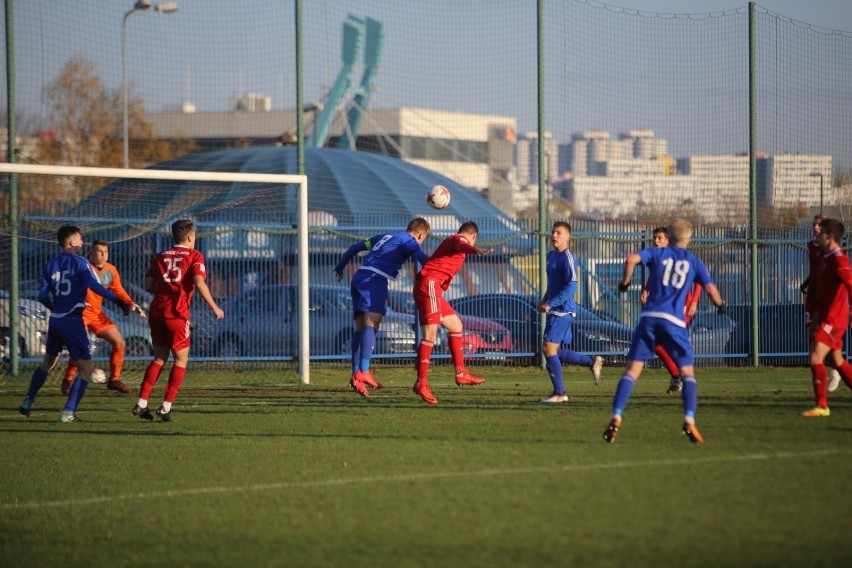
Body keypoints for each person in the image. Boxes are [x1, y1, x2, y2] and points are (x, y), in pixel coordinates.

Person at [604, 218, 725, 444]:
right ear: (689, 239)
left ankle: (616, 416)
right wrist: (720, 305)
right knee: (688, 373)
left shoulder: (657, 254)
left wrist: (625, 283)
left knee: (632, 372)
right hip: (673, 321)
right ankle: (689, 419)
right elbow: (710, 287)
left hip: (648, 319)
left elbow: (631, 259)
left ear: (669, 237)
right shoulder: (693, 261)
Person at [19, 226, 132, 423]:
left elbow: (43, 295)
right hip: (73, 319)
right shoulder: (80, 262)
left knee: (47, 362)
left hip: (55, 319)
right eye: (80, 239)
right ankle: (68, 413)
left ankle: (28, 400)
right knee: (85, 369)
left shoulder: (51, 264)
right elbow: (94, 285)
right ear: (71, 242)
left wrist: (55, 307)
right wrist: (117, 300)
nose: (82, 243)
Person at [132, 219, 224, 422]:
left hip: (156, 313)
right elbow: (200, 283)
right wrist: (215, 307)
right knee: (181, 360)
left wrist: (165, 288)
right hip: (177, 314)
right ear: (190, 237)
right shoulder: (194, 256)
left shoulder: (160, 256)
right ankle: (165, 407)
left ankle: (142, 403)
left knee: (158, 359)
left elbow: (148, 286)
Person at [334, 217, 431, 397]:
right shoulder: (410, 241)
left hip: (359, 277)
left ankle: (356, 375)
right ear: (420, 235)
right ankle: (363, 370)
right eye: (422, 239)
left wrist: (340, 267)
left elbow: (356, 247)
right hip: (374, 280)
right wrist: (434, 270)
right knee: (372, 323)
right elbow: (421, 258)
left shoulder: (386, 236)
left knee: (360, 327)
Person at [412, 221, 493, 404]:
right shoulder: (459, 239)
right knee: (430, 335)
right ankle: (421, 382)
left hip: (433, 288)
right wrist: (476, 250)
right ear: (474, 236)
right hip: (430, 285)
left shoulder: (455, 242)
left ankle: (461, 372)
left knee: (456, 325)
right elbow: (462, 244)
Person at [61, 240, 146, 396]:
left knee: (119, 342)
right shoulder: (84, 267)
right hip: (80, 314)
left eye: (105, 252)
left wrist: (131, 303)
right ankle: (67, 380)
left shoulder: (111, 270)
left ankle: (114, 380)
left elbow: (118, 290)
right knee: (81, 347)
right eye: (99, 251)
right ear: (91, 253)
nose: (102, 255)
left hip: (97, 314)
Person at [538, 221, 604, 403]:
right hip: (555, 310)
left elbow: (572, 286)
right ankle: (592, 363)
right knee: (554, 352)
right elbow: (553, 285)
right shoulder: (551, 256)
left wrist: (551, 303)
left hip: (563, 311)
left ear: (568, 237)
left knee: (548, 348)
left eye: (559, 233)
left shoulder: (568, 257)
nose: (554, 236)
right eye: (553, 232)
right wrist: (545, 300)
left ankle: (559, 393)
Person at [639, 227, 702, 395]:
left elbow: (699, 280)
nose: (655, 241)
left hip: (682, 307)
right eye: (654, 238)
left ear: (668, 241)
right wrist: (646, 290)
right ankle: (678, 375)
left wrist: (694, 302)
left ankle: (682, 375)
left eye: (659, 238)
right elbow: (654, 278)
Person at [801, 218, 852, 417]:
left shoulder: (839, 259)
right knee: (837, 360)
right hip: (825, 317)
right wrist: (816, 317)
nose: (818, 235)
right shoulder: (825, 257)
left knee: (815, 355)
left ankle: (822, 406)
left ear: (830, 236)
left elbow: (850, 284)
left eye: (821, 232)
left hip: (835, 320)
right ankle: (821, 405)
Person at [800, 214, 842, 393]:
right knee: (812, 334)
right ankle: (823, 372)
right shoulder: (811, 245)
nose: (815, 227)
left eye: (819, 225)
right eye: (814, 224)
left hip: (824, 297)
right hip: (812, 295)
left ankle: (834, 372)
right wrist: (807, 282)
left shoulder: (832, 251)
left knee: (825, 341)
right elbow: (816, 269)